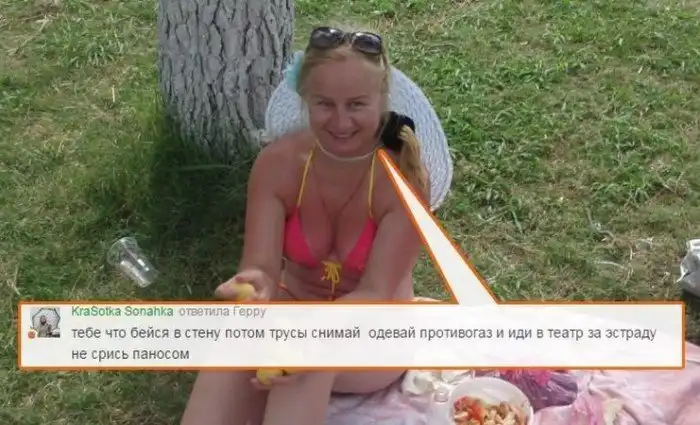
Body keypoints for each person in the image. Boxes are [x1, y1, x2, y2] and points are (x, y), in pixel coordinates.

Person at [181, 26, 432, 425]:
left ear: (381, 101)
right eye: (324, 104)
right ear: (305, 100)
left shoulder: (402, 178)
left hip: (375, 333)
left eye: (356, 104)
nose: (341, 121)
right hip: (293, 307)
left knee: (309, 360)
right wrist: (251, 287)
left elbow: (376, 293)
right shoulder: (278, 164)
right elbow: (261, 267)